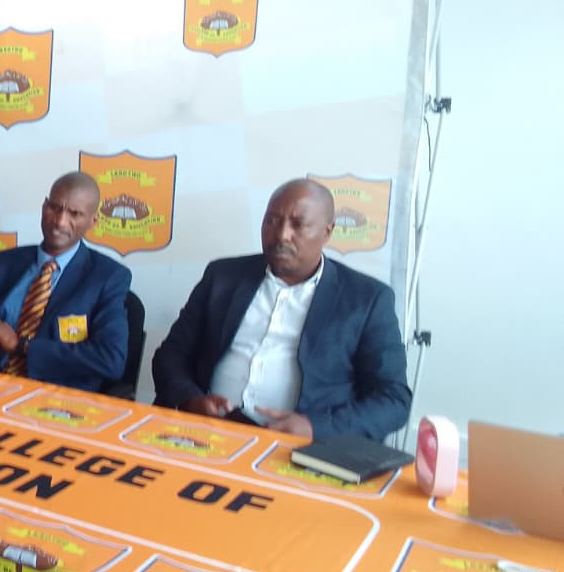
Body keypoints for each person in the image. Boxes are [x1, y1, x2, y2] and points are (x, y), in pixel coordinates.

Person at [151, 178, 411, 441]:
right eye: (272, 221)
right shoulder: (223, 277)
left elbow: (393, 399)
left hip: (301, 448)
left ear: (327, 232)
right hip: (206, 433)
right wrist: (191, 400)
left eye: (298, 224)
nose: (281, 234)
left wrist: (315, 427)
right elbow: (171, 355)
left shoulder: (366, 300)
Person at [0, 171, 130, 392]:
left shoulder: (107, 277)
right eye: (54, 208)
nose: (60, 222)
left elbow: (111, 360)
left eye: (75, 214)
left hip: (55, 400)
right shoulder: (0, 264)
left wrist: (23, 347)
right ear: (44, 206)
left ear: (92, 222)